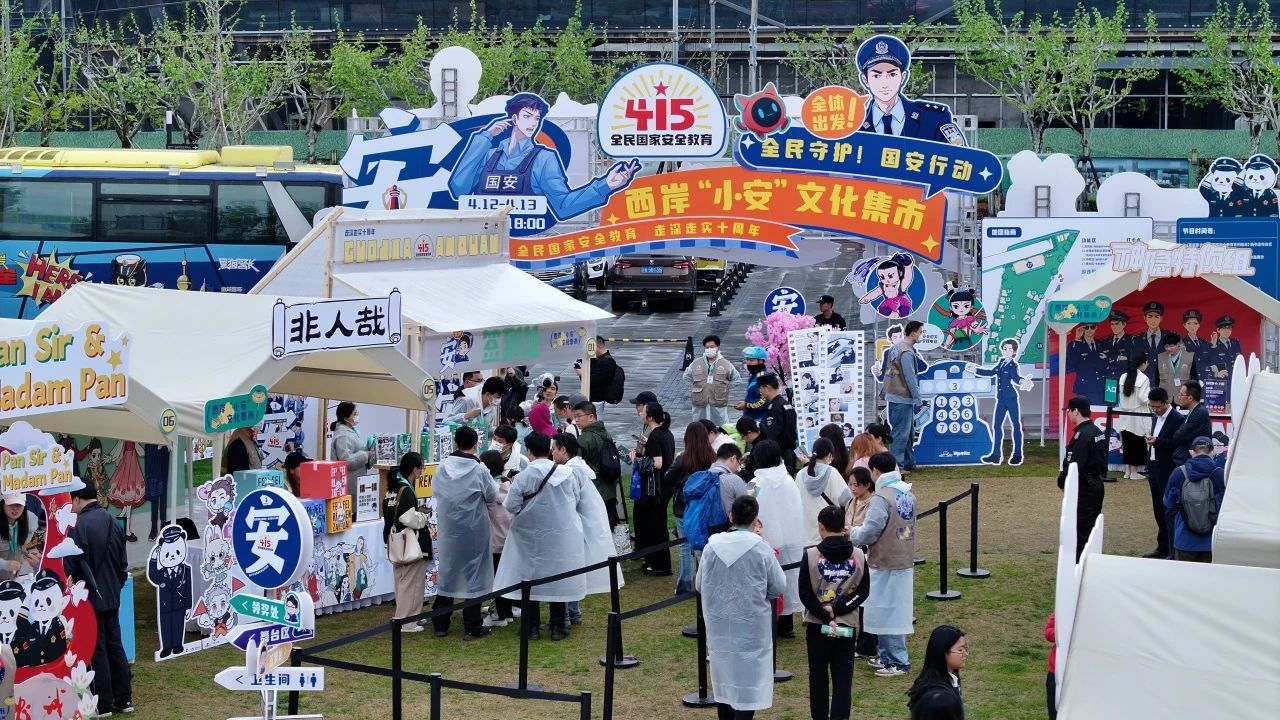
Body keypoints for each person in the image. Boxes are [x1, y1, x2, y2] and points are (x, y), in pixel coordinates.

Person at [447, 93, 638, 221]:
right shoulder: (489, 154)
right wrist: (484, 137)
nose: (533, 123)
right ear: (514, 119)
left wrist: (605, 185)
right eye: (527, 116)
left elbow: (563, 206)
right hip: (485, 241)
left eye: (537, 118)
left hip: (527, 243)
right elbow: (458, 188)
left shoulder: (544, 158)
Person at [696, 495, 786, 720]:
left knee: (723, 678)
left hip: (719, 624)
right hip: (751, 626)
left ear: (730, 517)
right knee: (749, 681)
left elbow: (699, 584)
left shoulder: (711, 548)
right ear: (755, 520)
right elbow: (778, 585)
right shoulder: (761, 549)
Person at [494, 432, 587, 641]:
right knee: (557, 575)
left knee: (529, 579)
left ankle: (531, 627)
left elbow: (511, 505)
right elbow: (575, 498)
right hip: (561, 534)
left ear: (529, 451)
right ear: (550, 450)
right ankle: (557, 626)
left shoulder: (524, 476)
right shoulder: (566, 473)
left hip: (529, 536)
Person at [65, 483, 132, 715]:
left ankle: (102, 704)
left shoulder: (78, 526)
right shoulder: (113, 520)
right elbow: (123, 565)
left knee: (97, 650)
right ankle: (124, 699)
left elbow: (70, 566)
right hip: (112, 595)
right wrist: (114, 587)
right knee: (116, 646)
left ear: (76, 499)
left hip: (89, 599)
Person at [849, 452, 917, 677]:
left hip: (884, 560)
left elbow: (870, 531)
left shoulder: (881, 497)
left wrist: (852, 533)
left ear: (875, 471)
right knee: (894, 610)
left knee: (887, 612)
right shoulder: (907, 493)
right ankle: (888, 656)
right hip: (903, 557)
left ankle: (898, 661)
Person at [799, 505, 869, 720]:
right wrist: (839, 609)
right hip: (846, 624)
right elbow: (863, 591)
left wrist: (825, 614)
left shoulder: (811, 555)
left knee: (818, 678)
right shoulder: (859, 554)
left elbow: (804, 593)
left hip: (817, 624)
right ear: (844, 527)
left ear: (821, 527)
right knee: (843, 679)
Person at [431, 427, 499, 640]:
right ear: (476, 445)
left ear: (455, 442)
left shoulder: (442, 467)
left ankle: (440, 623)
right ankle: (472, 625)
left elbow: (436, 492)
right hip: (473, 529)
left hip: (449, 528)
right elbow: (492, 495)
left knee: (448, 572)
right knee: (474, 575)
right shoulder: (479, 470)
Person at [553, 432, 621, 625]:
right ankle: (572, 612)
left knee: (568, 569)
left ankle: (568, 614)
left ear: (563, 450)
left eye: (554, 448)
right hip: (585, 525)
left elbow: (569, 500)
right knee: (574, 568)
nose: (552, 452)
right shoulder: (578, 467)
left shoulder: (570, 471)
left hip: (578, 527)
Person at [855, 34, 966, 145]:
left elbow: (960, 154)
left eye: (892, 74)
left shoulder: (933, 118)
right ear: (865, 80)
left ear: (903, 77)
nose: (885, 84)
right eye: (876, 76)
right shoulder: (853, 124)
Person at [746, 440, 804, 639]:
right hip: (791, 537)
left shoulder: (755, 482)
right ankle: (786, 625)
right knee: (788, 578)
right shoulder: (789, 480)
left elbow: (746, 505)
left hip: (766, 539)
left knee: (768, 580)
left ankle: (772, 623)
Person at [668, 422, 717, 594]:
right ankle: (704, 582)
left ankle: (685, 584)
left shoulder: (683, 459)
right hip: (706, 506)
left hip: (685, 507)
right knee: (704, 545)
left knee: (685, 546)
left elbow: (668, 477)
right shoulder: (712, 457)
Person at [384, 452, 431, 632]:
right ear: (415, 469)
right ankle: (406, 621)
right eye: (421, 468)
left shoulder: (393, 488)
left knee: (403, 581)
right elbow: (409, 518)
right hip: (409, 541)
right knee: (411, 582)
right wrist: (423, 517)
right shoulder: (406, 490)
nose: (422, 472)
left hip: (394, 541)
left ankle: (412, 616)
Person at [969, 338, 1034, 466]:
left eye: (1010, 349)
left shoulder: (1013, 365)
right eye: (1005, 349)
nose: (1007, 351)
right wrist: (975, 370)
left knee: (1016, 426)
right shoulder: (1001, 362)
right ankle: (996, 455)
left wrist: (1023, 381)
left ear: (1014, 352)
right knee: (997, 426)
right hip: (1001, 399)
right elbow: (991, 372)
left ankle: (1017, 455)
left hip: (1011, 398)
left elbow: (1016, 378)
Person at [1163, 436, 1226, 563]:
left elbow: (1168, 503)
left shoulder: (1178, 472)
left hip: (1184, 540)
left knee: (1184, 575)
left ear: (1191, 452)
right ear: (1213, 451)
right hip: (1211, 542)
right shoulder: (1220, 474)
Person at [1058, 396, 1107, 560]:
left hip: (1084, 486)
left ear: (1076, 411)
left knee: (1081, 528)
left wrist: (1062, 480)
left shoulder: (1082, 436)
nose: (1068, 414)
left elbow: (1074, 465)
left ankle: (1080, 563)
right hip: (1096, 484)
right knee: (1091, 526)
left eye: (1069, 411)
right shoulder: (1097, 431)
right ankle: (1090, 559)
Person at [630, 401, 674, 576]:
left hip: (655, 488)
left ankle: (659, 564)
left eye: (643, 412)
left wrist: (636, 460)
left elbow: (658, 463)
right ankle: (654, 561)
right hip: (664, 485)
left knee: (655, 526)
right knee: (657, 525)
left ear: (649, 417)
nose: (640, 413)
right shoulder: (666, 433)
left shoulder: (655, 436)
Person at [1143, 387, 1184, 559]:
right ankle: (1162, 547)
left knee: (1169, 509)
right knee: (1158, 509)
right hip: (1154, 467)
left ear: (1166, 403)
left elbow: (1177, 444)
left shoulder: (1177, 419)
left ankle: (1172, 550)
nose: (1155, 410)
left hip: (1168, 469)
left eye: (1157, 407)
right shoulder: (1155, 417)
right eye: (1152, 406)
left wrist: (1158, 442)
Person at [843, 467, 878, 660]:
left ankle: (868, 642)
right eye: (850, 484)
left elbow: (869, 531)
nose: (853, 488)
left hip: (867, 554)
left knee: (866, 599)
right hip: (852, 553)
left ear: (867, 484)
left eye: (856, 485)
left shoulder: (874, 503)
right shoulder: (851, 501)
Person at [479, 450, 516, 627]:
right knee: (506, 577)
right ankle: (506, 611)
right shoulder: (509, 486)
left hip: (494, 541)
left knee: (496, 580)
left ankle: (497, 615)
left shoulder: (489, 490)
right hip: (508, 539)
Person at [571, 401, 621, 529]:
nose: (576, 420)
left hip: (594, 492)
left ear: (591, 416)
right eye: (575, 416)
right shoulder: (606, 434)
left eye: (579, 416)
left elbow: (575, 464)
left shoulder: (585, 439)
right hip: (610, 491)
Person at [795, 438, 852, 547]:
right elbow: (846, 499)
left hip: (806, 536)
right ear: (829, 455)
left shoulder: (800, 474)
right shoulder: (832, 472)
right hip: (829, 534)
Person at [883, 321, 924, 471]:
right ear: (913, 333)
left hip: (895, 395)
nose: (921, 335)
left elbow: (890, 371)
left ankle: (908, 462)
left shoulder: (896, 347)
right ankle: (897, 466)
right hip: (902, 396)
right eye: (920, 332)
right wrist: (918, 398)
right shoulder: (906, 352)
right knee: (901, 433)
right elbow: (910, 377)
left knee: (907, 432)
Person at [906, 625, 968, 719]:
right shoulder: (936, 695)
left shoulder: (950, 678)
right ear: (943, 652)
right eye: (960, 650)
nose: (965, 654)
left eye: (965, 649)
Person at [685, 335, 741, 425]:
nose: (709, 349)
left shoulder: (726, 364)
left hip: (718, 404)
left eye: (712, 347)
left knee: (721, 428)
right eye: (707, 347)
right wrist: (696, 387)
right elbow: (686, 376)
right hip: (700, 404)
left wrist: (724, 389)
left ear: (718, 348)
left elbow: (737, 379)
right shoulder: (696, 363)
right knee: (700, 428)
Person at [1115, 353, 1152, 480]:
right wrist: (1153, 401)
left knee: (1126, 442)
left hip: (1124, 413)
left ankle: (1127, 471)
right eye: (1147, 363)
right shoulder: (1144, 378)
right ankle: (1134, 472)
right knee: (1136, 442)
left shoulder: (1123, 376)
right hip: (1137, 414)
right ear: (1143, 363)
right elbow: (1143, 398)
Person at [757, 373, 799, 473]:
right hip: (791, 452)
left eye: (761, 388)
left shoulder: (774, 407)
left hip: (780, 455)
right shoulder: (786, 404)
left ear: (767, 387)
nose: (760, 392)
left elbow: (772, 434)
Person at [578, 337, 620, 418]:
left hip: (597, 398)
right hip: (596, 397)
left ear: (599, 346)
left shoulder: (606, 361)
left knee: (595, 419)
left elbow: (593, 381)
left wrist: (582, 374)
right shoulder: (601, 359)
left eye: (591, 347)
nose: (590, 351)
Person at [1171, 380, 1211, 465]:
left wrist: (1177, 433)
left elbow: (1179, 435)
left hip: (1192, 461)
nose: (1179, 397)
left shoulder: (1199, 413)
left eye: (1181, 395)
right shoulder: (1193, 411)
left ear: (1190, 398)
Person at [329, 401, 371, 482]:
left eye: (357, 413)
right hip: (349, 480)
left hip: (355, 477)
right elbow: (346, 461)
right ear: (346, 418)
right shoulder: (343, 435)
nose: (357, 416)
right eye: (354, 414)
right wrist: (366, 455)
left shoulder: (351, 431)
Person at [0, 494, 39, 581]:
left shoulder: (29, 520)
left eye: (19, 505)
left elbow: (25, 546)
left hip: (12, 580)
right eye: (11, 504)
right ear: (2, 504)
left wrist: (33, 559)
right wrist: (4, 564)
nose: (15, 508)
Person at [1066, 322, 1108, 403]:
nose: (1089, 330)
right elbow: (1071, 362)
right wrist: (1077, 340)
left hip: (1100, 388)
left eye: (1092, 327)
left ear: (1096, 327)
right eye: (1086, 327)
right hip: (1084, 388)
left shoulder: (1101, 344)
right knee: (1084, 410)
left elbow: (1107, 364)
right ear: (1082, 328)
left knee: (1101, 410)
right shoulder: (1075, 344)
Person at [1156, 331, 1197, 398]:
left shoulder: (1189, 357)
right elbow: (1157, 380)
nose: (1168, 349)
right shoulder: (1160, 357)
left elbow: (1194, 378)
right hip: (1165, 399)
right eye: (1166, 346)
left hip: (1183, 398)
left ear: (1178, 344)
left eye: (1171, 346)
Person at [142, 442, 170, 541]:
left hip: (164, 449)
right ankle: (154, 527)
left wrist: (168, 444)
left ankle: (163, 524)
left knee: (163, 489)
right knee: (154, 489)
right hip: (152, 447)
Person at [1135, 302, 1166, 387]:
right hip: (1144, 385)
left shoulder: (1170, 337)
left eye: (1156, 316)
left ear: (1161, 318)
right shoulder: (1137, 340)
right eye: (1150, 316)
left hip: (1165, 385)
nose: (1153, 320)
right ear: (1144, 318)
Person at [735, 347, 770, 422]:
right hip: (750, 418)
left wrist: (746, 405)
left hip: (759, 420)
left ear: (761, 361)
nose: (748, 363)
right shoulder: (754, 376)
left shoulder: (763, 377)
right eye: (747, 360)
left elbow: (763, 402)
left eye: (751, 360)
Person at [1101, 310, 1133, 381]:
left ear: (1124, 325)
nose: (1114, 327)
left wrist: (1108, 356)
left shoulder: (1131, 340)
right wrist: (1118, 357)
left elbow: (1131, 360)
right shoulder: (1106, 341)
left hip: (1125, 379)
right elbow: (1100, 357)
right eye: (1112, 324)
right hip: (1109, 378)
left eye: (1117, 324)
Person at [1045, 612, 1058, 720]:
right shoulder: (1063, 610)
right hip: (1055, 672)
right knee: (1054, 709)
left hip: (1080, 672)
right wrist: (1061, 633)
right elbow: (1048, 632)